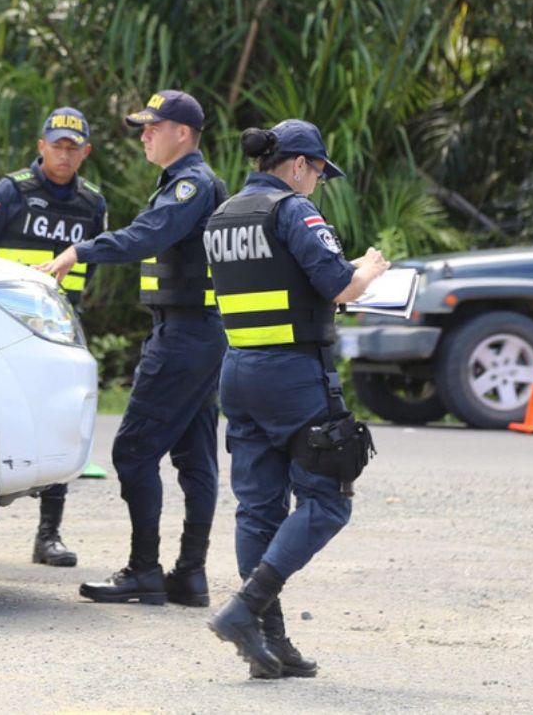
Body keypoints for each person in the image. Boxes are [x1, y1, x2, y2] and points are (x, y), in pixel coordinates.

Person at [203, 120, 388, 679]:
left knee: (258, 509)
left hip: (238, 370)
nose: (317, 186)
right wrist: (369, 269)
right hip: (292, 373)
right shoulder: (293, 211)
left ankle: (269, 643)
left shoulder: (222, 215)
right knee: (329, 501)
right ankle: (244, 609)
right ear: (299, 165)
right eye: (317, 174)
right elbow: (340, 284)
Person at [39, 90, 228, 607]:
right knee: (194, 458)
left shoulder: (191, 185)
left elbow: (148, 235)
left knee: (134, 451)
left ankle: (146, 570)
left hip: (187, 337)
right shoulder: (182, 183)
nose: (144, 135)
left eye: (153, 127)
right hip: (194, 333)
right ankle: (189, 576)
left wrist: (81, 249)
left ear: (182, 133)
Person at [0, 107, 107, 566]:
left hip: (59, 330)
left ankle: (49, 536)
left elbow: (92, 267)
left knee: (60, 420)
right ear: (41, 146)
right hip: (1, 325)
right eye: (56, 145)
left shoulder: (93, 204)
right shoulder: (8, 192)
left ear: (84, 153)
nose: (63, 155)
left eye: (73, 148)